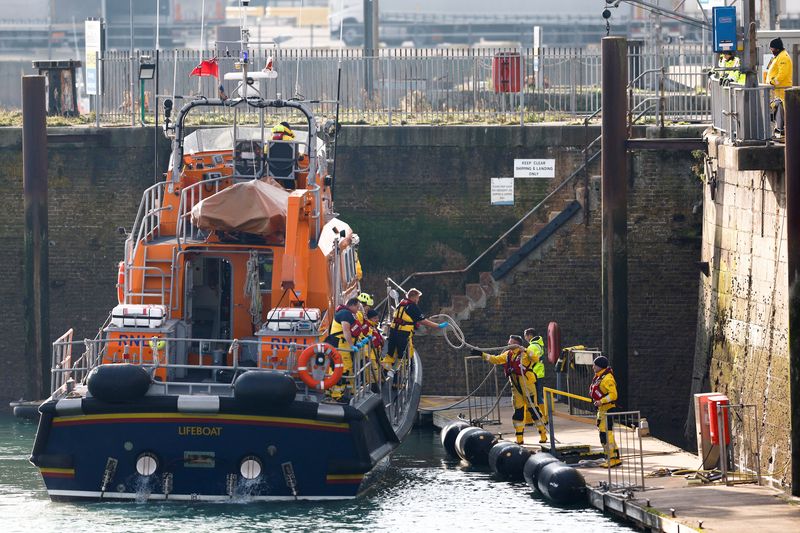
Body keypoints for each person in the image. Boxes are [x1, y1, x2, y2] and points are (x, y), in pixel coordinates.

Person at [474, 335, 548, 444]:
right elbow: (496, 359)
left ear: (516, 343)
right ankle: (519, 438)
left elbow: (536, 358)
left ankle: (543, 435)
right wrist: (482, 354)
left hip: (528, 386)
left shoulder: (525, 353)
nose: (508, 345)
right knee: (518, 412)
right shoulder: (508, 355)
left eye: (510, 343)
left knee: (533, 409)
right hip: (516, 388)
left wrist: (526, 350)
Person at [382, 288, 447, 378]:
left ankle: (383, 374)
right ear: (413, 297)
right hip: (403, 334)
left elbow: (404, 318)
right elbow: (423, 321)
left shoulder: (401, 304)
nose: (418, 300)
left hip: (393, 333)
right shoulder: (412, 306)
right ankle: (397, 382)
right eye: (417, 297)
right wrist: (438, 326)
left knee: (390, 354)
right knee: (403, 357)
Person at [324, 297, 361, 400]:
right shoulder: (345, 314)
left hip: (341, 345)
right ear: (352, 305)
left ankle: (343, 391)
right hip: (340, 345)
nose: (358, 309)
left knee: (341, 368)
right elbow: (346, 330)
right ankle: (336, 395)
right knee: (342, 368)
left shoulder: (347, 313)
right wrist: (351, 345)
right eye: (357, 307)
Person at [589, 355, 621, 468]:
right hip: (602, 410)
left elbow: (613, 395)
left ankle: (612, 458)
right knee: (604, 433)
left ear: (600, 366)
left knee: (606, 434)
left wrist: (601, 401)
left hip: (607, 409)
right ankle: (614, 457)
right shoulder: (599, 377)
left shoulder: (607, 378)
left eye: (595, 365)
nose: (593, 367)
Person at [764, 38, 793, 138]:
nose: (771, 50)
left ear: (777, 48)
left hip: (782, 90)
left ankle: (783, 131)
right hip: (777, 91)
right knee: (777, 110)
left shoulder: (783, 57)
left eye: (772, 48)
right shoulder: (778, 57)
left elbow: (782, 75)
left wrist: (772, 82)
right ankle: (779, 130)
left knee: (782, 111)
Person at [523, 328, 546, 407]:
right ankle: (542, 415)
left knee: (536, 397)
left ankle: (542, 415)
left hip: (534, 374)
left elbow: (531, 360)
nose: (525, 338)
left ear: (530, 335)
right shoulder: (539, 345)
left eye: (525, 336)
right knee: (538, 395)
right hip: (539, 373)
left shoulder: (532, 347)